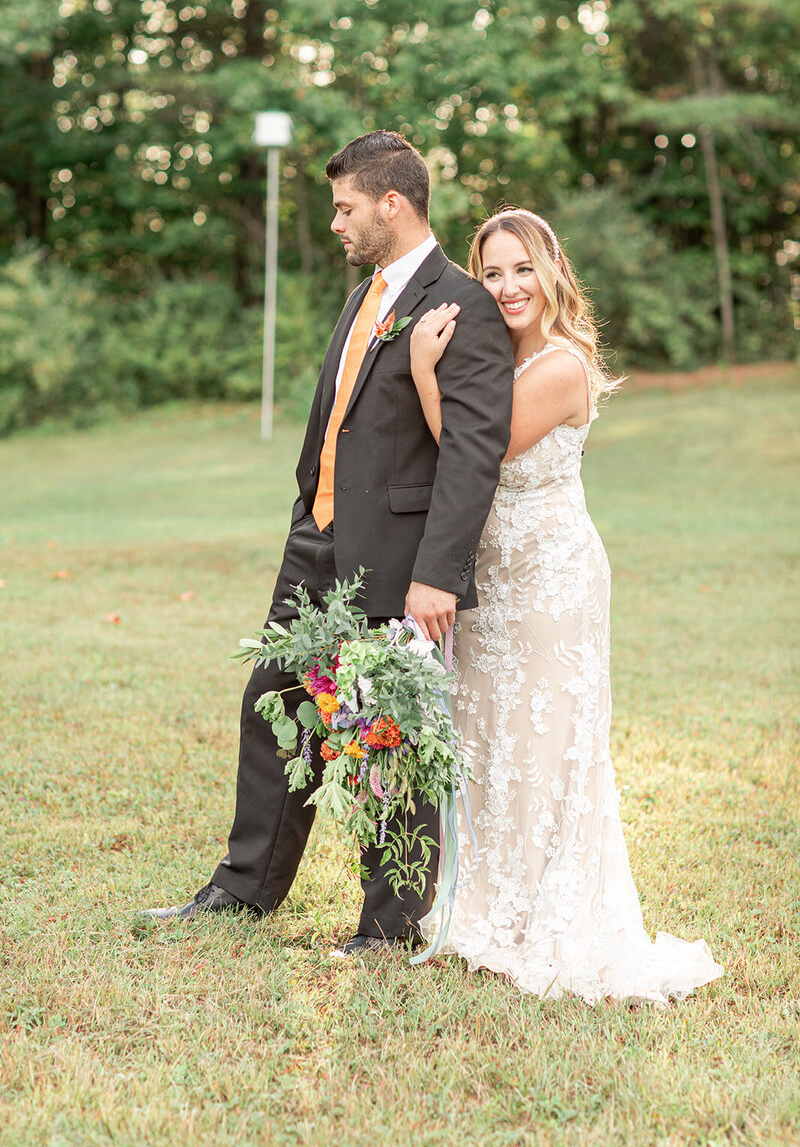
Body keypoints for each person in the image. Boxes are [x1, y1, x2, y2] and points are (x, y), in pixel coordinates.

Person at [139, 132, 514, 955]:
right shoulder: (364, 295)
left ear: (393, 203)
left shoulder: (464, 304)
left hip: (399, 561)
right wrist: (309, 513)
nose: (337, 225)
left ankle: (388, 925)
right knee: (277, 707)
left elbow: (475, 452)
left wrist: (438, 575)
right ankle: (243, 891)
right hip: (317, 544)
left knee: (387, 731)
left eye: (346, 209)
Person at [409, 208, 723, 1003]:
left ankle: (547, 921)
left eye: (522, 269)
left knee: (545, 747)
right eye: (492, 272)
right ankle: (485, 909)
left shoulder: (559, 366)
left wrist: (422, 373)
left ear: (551, 273)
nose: (508, 287)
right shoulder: (493, 355)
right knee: (486, 738)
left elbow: (476, 454)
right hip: (490, 582)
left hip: (550, 583)